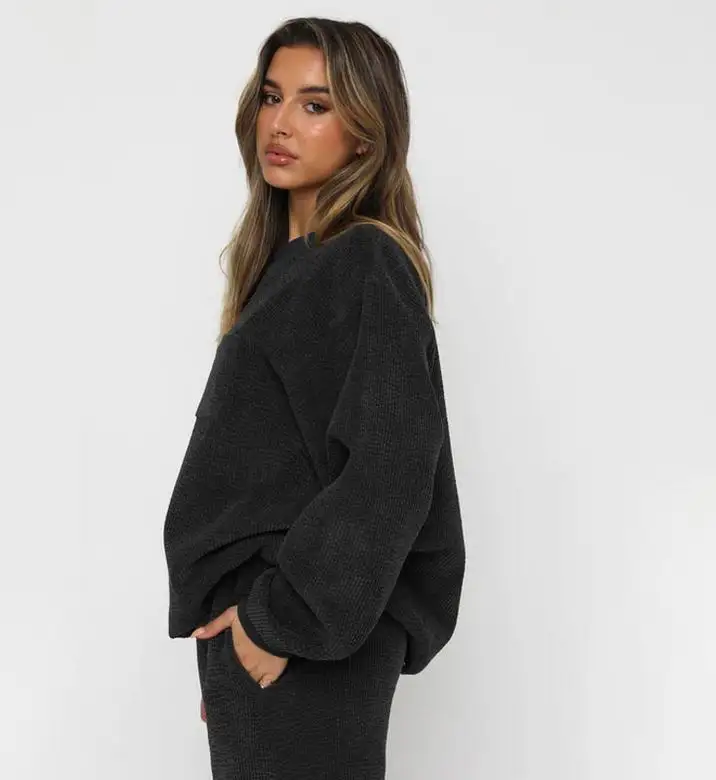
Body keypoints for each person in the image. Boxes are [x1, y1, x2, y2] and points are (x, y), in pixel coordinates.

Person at [163, 16, 466, 780]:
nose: (281, 123)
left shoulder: (364, 260)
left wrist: (275, 622)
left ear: (365, 134)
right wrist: (237, 644)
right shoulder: (287, 269)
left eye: (315, 104)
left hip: (304, 639)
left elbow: (392, 468)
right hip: (273, 642)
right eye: (272, 97)